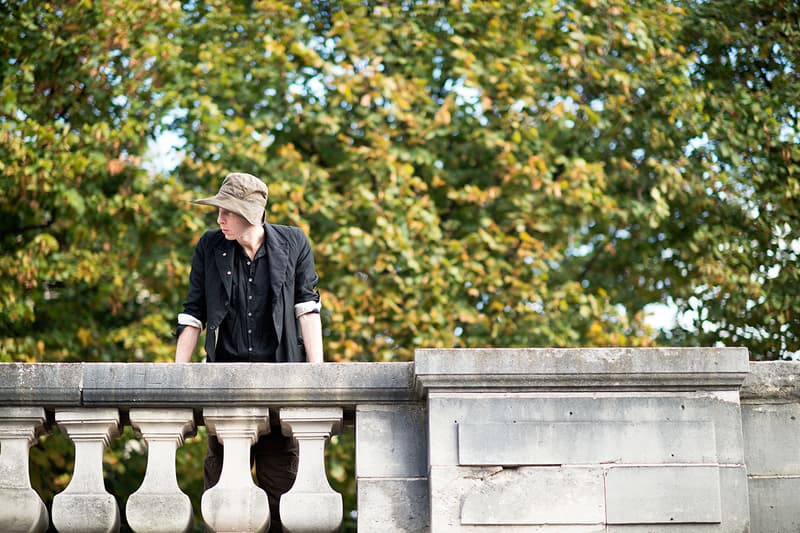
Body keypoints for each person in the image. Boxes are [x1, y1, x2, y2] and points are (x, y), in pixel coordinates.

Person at [174, 172, 323, 533]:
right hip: (226, 391)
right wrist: (176, 378)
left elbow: (307, 307)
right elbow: (193, 313)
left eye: (228, 211)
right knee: (223, 501)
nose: (220, 218)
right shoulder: (210, 246)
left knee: (282, 499)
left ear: (252, 214)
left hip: (282, 387)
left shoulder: (293, 242)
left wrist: (318, 376)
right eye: (219, 210)